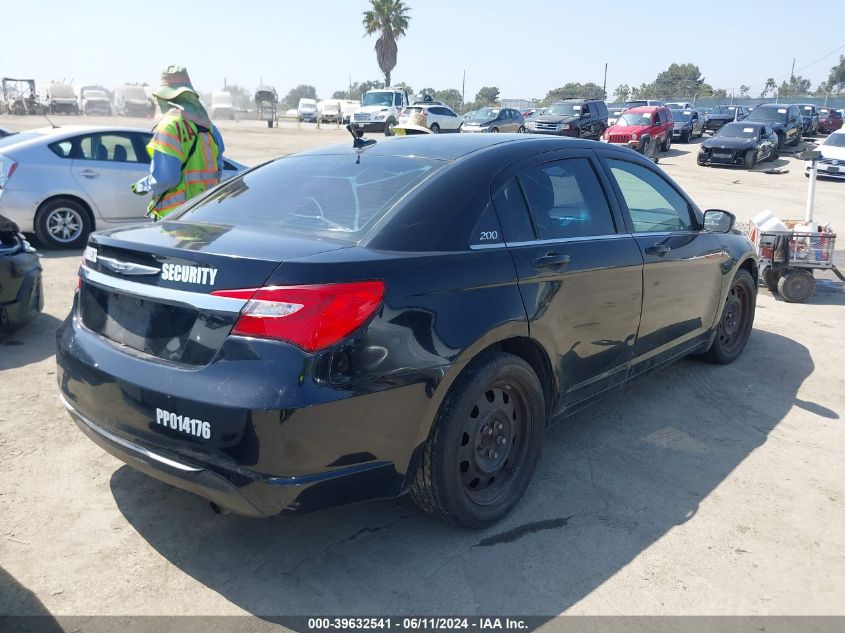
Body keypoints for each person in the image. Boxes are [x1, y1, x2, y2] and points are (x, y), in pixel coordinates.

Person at [131, 65, 225, 220]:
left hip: (176, 220)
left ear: (167, 98)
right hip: (206, 215)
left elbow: (166, 178)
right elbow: (218, 170)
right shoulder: (210, 129)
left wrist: (145, 184)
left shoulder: (169, 127)